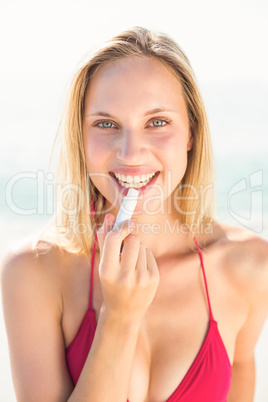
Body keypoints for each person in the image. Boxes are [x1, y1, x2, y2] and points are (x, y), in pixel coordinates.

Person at [1, 26, 268, 402]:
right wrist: (120, 317)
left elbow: (241, 375)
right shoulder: (32, 271)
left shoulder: (251, 266)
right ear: (81, 137)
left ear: (191, 132)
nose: (130, 152)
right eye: (106, 124)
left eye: (157, 122)